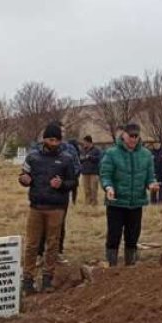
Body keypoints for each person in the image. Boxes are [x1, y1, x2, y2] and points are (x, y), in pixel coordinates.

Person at [18, 124, 78, 294]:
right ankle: (28, 280)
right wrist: (23, 180)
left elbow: (73, 182)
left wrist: (62, 184)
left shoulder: (67, 159)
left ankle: (47, 279)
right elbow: (23, 175)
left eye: (58, 140)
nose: (54, 143)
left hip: (56, 208)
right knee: (32, 244)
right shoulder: (32, 157)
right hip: (36, 207)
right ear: (44, 139)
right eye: (51, 140)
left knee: (52, 244)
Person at [100, 123, 159, 266]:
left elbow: (150, 177)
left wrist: (152, 185)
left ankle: (130, 266)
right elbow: (105, 175)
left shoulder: (146, 155)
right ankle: (111, 265)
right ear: (123, 135)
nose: (133, 139)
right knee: (114, 235)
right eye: (130, 136)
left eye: (136, 136)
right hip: (116, 202)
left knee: (132, 237)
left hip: (136, 203)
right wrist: (108, 187)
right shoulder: (111, 153)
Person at [79, 135, 103, 206]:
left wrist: (90, 157)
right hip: (85, 172)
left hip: (94, 172)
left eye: (85, 142)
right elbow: (80, 159)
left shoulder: (96, 150)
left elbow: (99, 159)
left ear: (89, 142)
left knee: (93, 188)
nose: (84, 143)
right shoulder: (83, 150)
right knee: (86, 189)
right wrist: (82, 159)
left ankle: (94, 203)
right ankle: (87, 202)